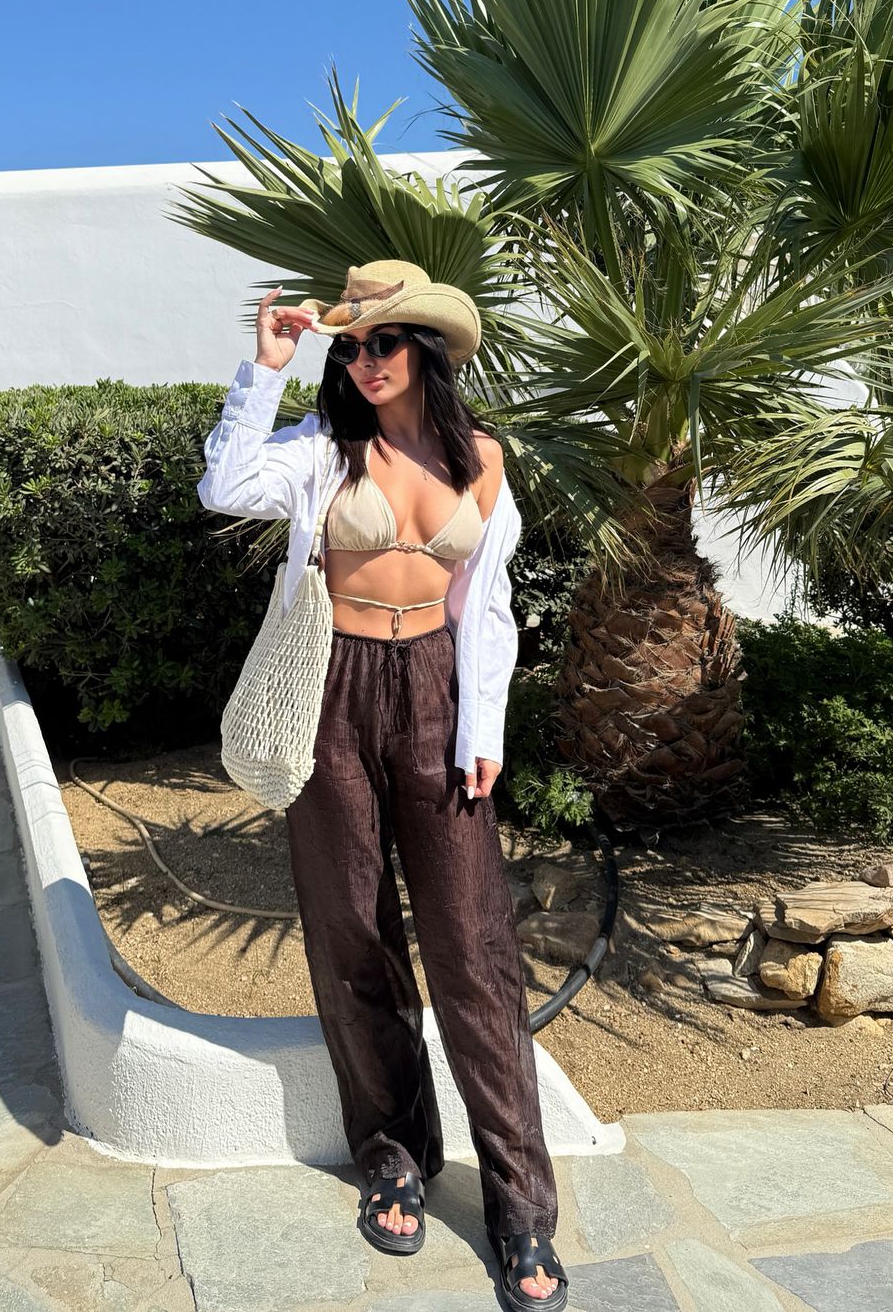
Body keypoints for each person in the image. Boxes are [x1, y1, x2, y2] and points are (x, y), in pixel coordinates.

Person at [196, 261, 569, 1310]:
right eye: (351, 345)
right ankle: (393, 1152)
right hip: (333, 687)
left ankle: (521, 1205)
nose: (364, 361)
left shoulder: (482, 457)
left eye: (384, 342)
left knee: (472, 945)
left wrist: (484, 728)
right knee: (351, 926)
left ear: (428, 351)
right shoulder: (324, 448)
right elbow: (225, 486)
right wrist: (265, 369)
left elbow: (485, 605)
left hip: (438, 690)